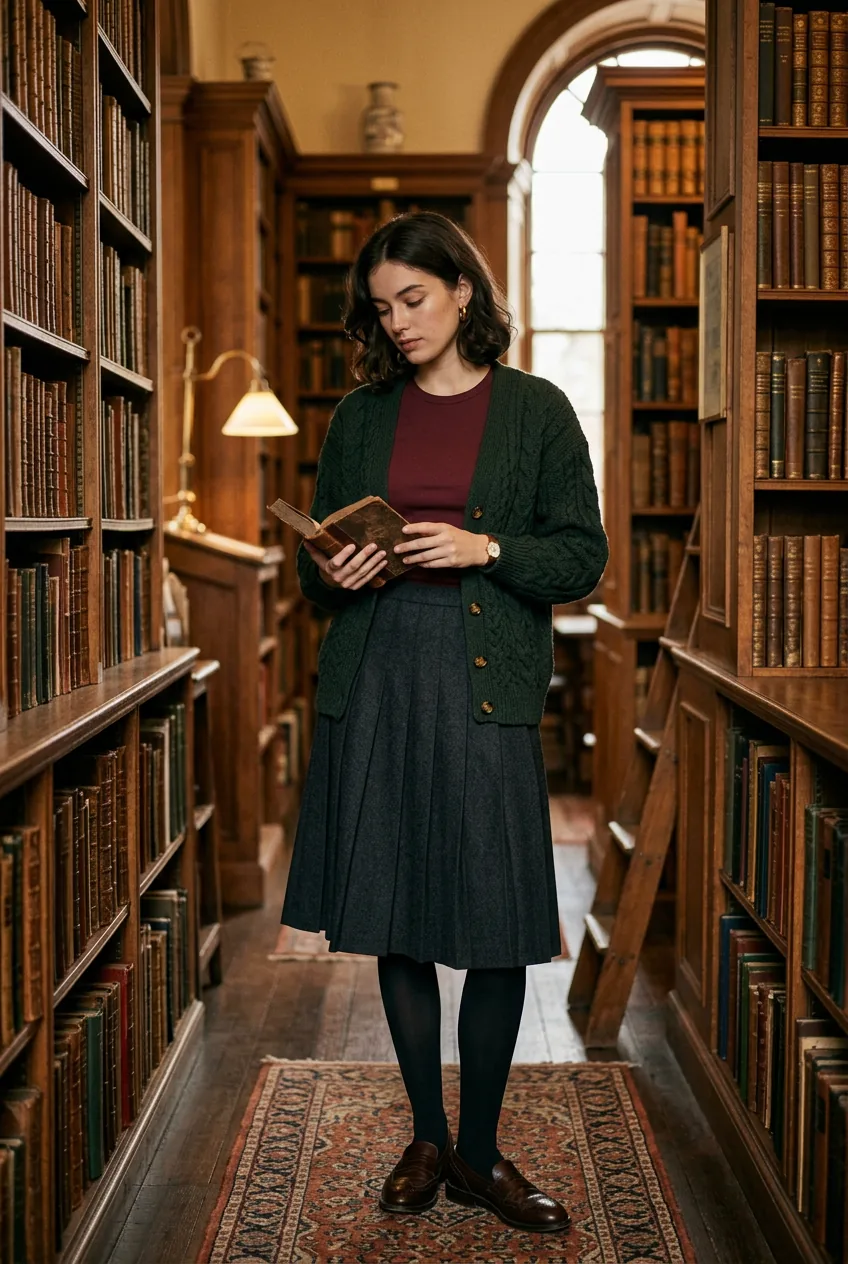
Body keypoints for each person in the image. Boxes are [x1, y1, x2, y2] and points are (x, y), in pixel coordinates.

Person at [280, 209, 608, 1234]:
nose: (398, 321)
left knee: (500, 926)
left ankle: (479, 1151)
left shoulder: (538, 410)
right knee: (394, 912)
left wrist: (483, 551)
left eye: (412, 298)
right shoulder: (359, 417)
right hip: (375, 676)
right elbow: (315, 565)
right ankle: (426, 1132)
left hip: (485, 682)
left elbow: (579, 556)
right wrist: (334, 564)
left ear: (463, 290)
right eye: (381, 308)